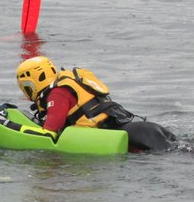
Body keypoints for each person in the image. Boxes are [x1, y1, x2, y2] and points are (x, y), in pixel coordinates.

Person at [14, 55, 177, 153]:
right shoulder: (68, 82)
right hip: (144, 129)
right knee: (184, 152)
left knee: (177, 156)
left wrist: (14, 128)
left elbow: (49, 133)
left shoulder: (57, 94)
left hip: (133, 138)